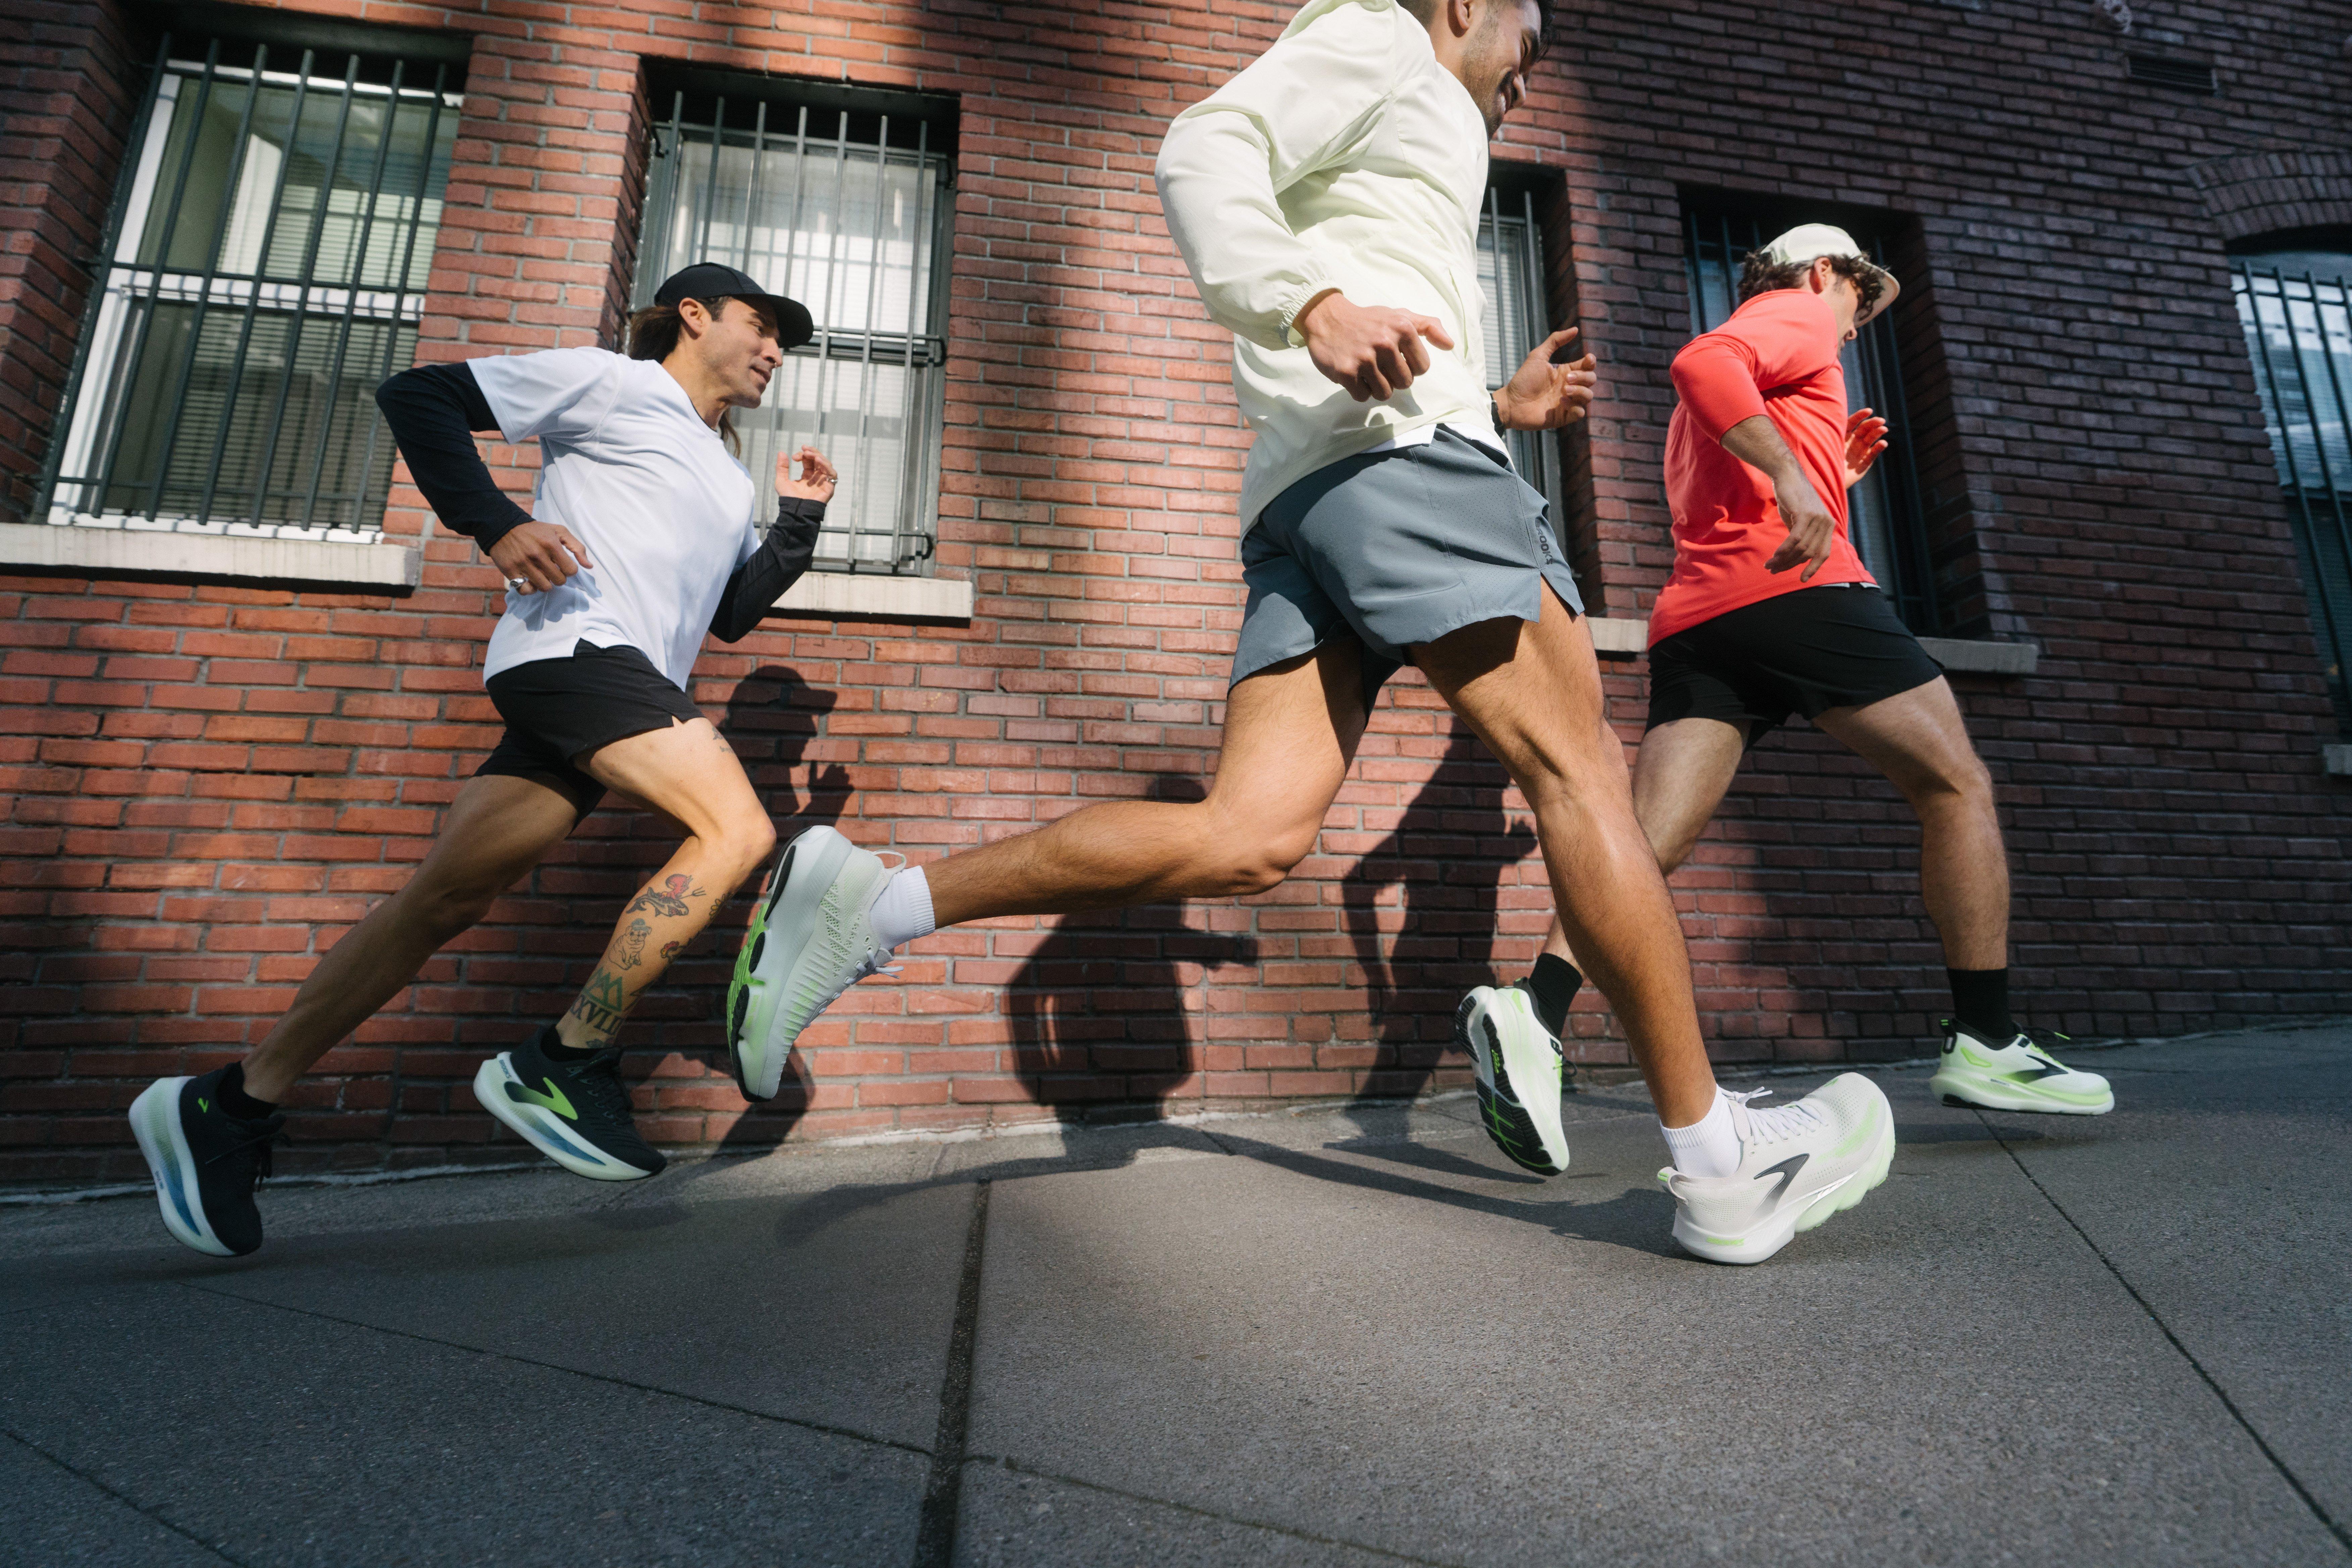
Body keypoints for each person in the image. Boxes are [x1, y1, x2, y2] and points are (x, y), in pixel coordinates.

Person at [724, 0, 1896, 1265]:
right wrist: (1313, 304)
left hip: (1321, 492)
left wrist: (1495, 404)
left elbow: (1366, 281)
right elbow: (1203, 148)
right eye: (1528, 36)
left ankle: (873, 905)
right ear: (1464, 3)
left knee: (1247, 836)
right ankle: (1720, 1160)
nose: (1530, 71)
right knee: (1584, 774)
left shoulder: (1418, 115)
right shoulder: (1384, 36)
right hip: (1409, 473)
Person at [128, 262, 840, 1258]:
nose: (775, 353)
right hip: (579, 657)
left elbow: (726, 615)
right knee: (737, 831)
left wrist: (797, 521)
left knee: (440, 903)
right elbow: (419, 395)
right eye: (761, 328)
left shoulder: (724, 474)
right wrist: (496, 523)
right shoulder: (615, 383)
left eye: (783, 343)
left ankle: (232, 1105)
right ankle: (568, 1059)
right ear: (693, 316)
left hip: (605, 690)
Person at [1460, 223, 2112, 1162]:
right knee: (1955, 783)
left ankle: (1536, 1011)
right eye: (1858, 301)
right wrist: (1797, 485)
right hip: (1799, 596)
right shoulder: (1794, 313)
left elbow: (1725, 481)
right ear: (1823, 273)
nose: (1853, 327)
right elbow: (1701, 361)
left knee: (1643, 846)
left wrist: (1826, 478)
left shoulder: (1743, 387)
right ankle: (1988, 1038)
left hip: (1700, 621)